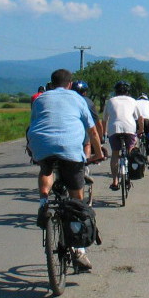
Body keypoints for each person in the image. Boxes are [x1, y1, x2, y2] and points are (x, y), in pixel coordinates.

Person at [27, 69, 104, 271]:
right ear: (70, 84)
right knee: (76, 196)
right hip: (70, 149)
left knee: (46, 170)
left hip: (41, 144)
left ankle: (43, 202)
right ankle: (79, 251)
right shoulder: (78, 99)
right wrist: (98, 153)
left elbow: (33, 124)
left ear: (51, 83)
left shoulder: (40, 99)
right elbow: (93, 130)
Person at [102, 80, 142, 191]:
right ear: (128, 91)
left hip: (114, 129)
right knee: (130, 151)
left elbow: (104, 119)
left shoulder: (110, 101)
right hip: (129, 128)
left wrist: (103, 133)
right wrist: (141, 130)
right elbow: (140, 118)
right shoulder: (133, 101)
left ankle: (115, 180)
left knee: (115, 154)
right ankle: (129, 176)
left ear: (116, 91)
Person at [135, 93, 149, 169]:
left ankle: (135, 154)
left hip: (137, 121)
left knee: (135, 137)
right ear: (146, 98)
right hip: (147, 121)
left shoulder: (135, 102)